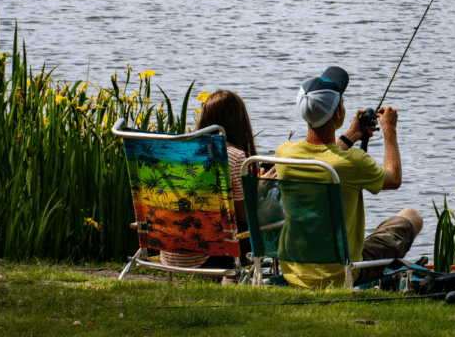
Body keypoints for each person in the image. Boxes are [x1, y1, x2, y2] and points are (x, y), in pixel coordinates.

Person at [275, 66, 423, 288]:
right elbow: (394, 178)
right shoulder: (352, 162)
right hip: (339, 273)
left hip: (295, 270)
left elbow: (326, 158)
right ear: (337, 114)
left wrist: (351, 135)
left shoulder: (284, 154)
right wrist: (389, 130)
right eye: (342, 101)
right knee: (411, 216)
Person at [160, 89, 258, 272]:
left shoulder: (180, 152)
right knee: (256, 219)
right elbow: (244, 216)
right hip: (208, 255)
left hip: (170, 251)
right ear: (239, 121)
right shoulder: (234, 157)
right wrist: (258, 187)